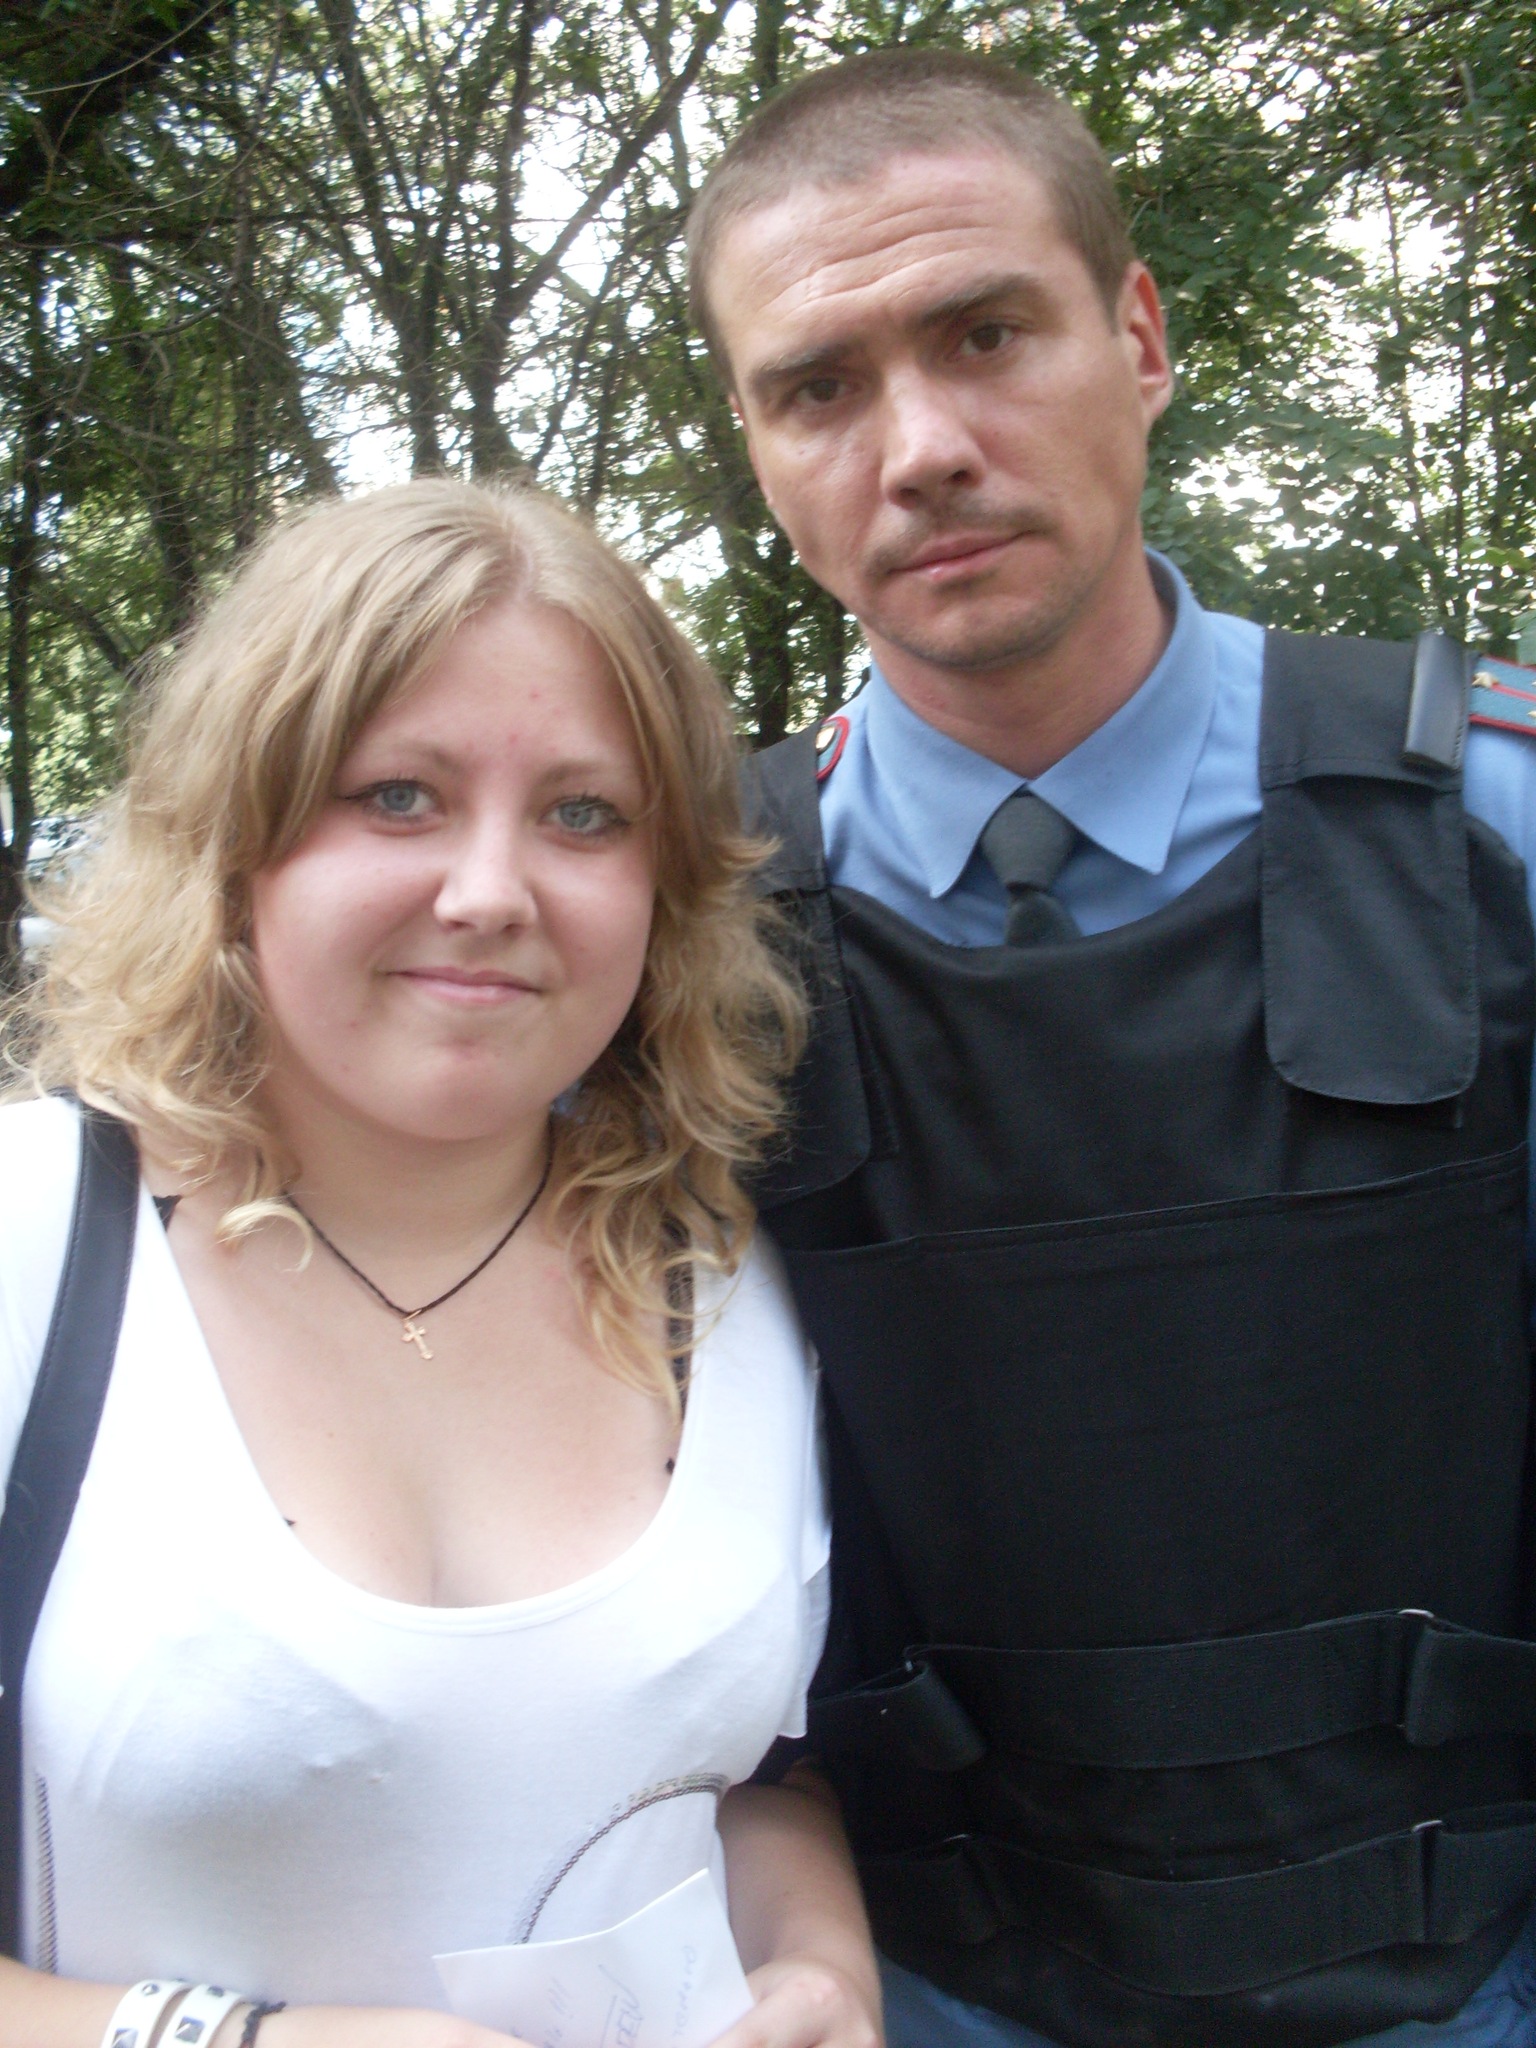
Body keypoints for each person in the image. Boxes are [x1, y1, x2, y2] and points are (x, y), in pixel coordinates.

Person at [684, 44, 1536, 2048]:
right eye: (820, 387)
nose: (921, 447)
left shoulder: (1495, 833)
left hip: (1472, 1973)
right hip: (917, 1990)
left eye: (987, 334)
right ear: (760, 447)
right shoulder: (682, 946)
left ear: (1138, 340)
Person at [0, 480, 884, 2048]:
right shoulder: (34, 1243)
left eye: (583, 815)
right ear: (238, 844)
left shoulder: (732, 1279)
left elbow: (748, 1777)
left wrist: (820, 1964)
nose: (489, 893)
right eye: (398, 796)